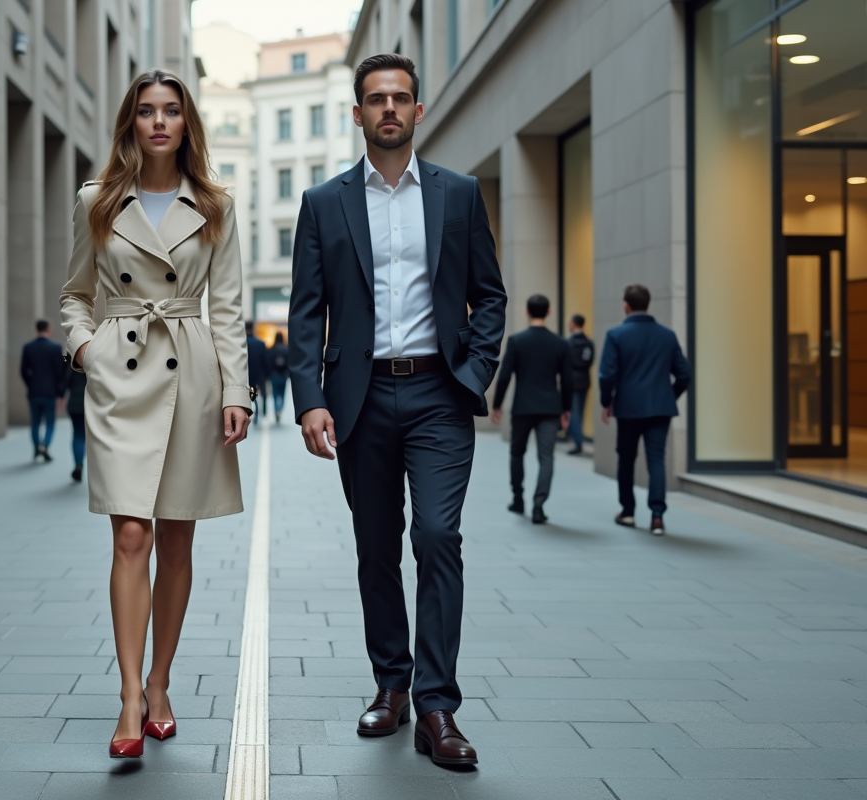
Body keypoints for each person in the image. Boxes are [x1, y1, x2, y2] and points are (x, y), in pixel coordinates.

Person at [288, 54, 506, 769]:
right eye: (375, 99)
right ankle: (392, 684)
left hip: (438, 395)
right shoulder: (323, 203)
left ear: (418, 111)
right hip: (359, 398)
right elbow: (306, 312)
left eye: (401, 98)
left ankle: (438, 707)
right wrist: (310, 400)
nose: (389, 108)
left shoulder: (459, 194)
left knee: (439, 537)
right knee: (377, 548)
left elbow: (489, 294)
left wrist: (472, 370)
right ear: (357, 113)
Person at [59, 69, 252, 759]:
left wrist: (238, 392)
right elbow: (75, 295)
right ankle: (129, 697)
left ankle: (162, 680)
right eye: (147, 111)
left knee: (176, 541)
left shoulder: (215, 204)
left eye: (172, 110)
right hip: (120, 377)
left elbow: (227, 307)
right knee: (131, 536)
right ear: (130, 122)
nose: (160, 122)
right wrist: (86, 350)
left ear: (186, 122)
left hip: (191, 376)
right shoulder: (96, 200)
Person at [598, 284, 691, 537]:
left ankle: (627, 512)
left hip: (628, 407)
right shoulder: (667, 335)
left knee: (626, 460)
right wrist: (669, 396)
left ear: (626, 305)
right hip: (660, 408)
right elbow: (684, 374)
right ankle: (657, 516)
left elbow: (607, 375)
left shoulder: (616, 335)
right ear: (647, 304)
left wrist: (607, 401)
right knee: (656, 459)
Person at [490, 295, 572, 524]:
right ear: (549, 311)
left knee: (517, 453)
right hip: (550, 408)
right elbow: (567, 380)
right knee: (546, 457)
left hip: (523, 407)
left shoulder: (517, 341)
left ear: (527, 311)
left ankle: (518, 499)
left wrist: (497, 405)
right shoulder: (560, 343)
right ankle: (539, 505)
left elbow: (505, 375)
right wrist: (567, 409)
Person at [20, 319, 68, 462]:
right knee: (50, 422)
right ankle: (45, 445)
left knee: (35, 422)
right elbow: (60, 372)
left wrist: (30, 384)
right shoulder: (55, 347)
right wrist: (61, 392)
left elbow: (23, 371)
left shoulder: (28, 347)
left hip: (34, 391)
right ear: (48, 329)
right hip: (50, 391)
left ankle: (37, 447)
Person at [566, 314, 594, 455]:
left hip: (571, 381)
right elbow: (589, 361)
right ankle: (577, 440)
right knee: (579, 412)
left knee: (574, 413)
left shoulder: (569, 342)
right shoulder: (588, 342)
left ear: (574, 324)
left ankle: (577, 443)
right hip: (584, 380)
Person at [66, 368, 87, 482]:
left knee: (78, 434)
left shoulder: (73, 363)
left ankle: (78, 464)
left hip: (74, 402)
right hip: (91, 403)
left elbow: (66, 381)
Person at [245, 321, 269, 424]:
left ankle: (255, 411)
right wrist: (267, 373)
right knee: (263, 393)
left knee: (252, 395)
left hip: (248, 373)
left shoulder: (243, 343)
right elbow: (265, 360)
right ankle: (263, 411)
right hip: (260, 373)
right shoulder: (260, 343)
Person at [268, 332, 289, 423]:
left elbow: (268, 362)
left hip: (274, 374)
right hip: (283, 374)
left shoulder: (272, 349)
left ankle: (276, 410)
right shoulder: (286, 349)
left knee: (275, 394)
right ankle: (280, 409)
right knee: (282, 394)